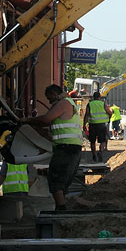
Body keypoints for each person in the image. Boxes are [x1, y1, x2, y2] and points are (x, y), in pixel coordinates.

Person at [24, 83, 83, 211]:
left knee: (55, 179)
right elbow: (50, 126)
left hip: (66, 148)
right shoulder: (67, 103)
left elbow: (46, 119)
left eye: (49, 97)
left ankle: (61, 210)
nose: (49, 101)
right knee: (61, 180)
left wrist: (26, 120)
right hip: (70, 147)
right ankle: (60, 208)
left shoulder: (63, 103)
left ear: (54, 94)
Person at [0, 156, 30, 222]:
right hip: (23, 190)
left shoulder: (7, 161)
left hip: (10, 191)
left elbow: (3, 176)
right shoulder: (24, 160)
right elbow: (27, 174)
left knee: (9, 215)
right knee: (22, 213)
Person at [82, 89, 111, 163]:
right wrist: (108, 118)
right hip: (101, 125)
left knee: (92, 141)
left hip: (92, 125)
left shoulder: (90, 104)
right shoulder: (102, 103)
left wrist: (84, 125)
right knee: (103, 140)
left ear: (93, 97)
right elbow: (109, 112)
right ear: (99, 97)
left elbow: (86, 115)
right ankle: (100, 151)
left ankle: (94, 155)